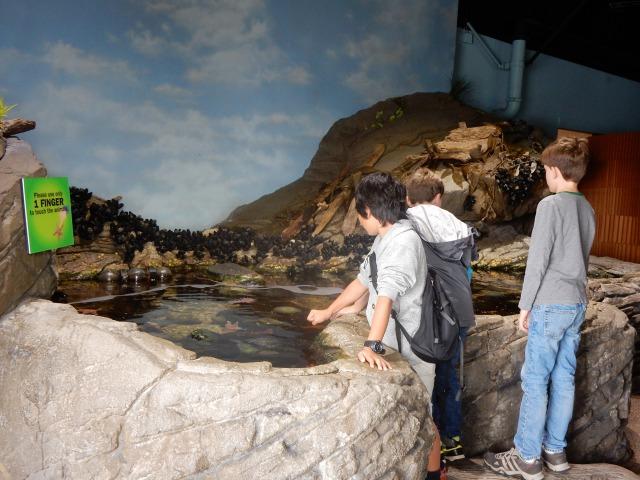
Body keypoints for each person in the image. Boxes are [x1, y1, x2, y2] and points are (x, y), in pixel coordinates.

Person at [307, 172, 444, 480]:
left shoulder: (404, 242)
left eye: (360, 216)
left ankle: (435, 475)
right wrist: (329, 311)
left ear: (369, 210)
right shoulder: (387, 237)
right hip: (398, 342)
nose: (359, 222)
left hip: (413, 349)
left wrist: (371, 344)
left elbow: (387, 297)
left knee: (424, 416)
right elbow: (363, 280)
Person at [483, 137, 595, 480]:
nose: (545, 176)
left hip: (550, 303)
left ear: (556, 171)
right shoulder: (587, 207)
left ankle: (527, 458)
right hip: (576, 302)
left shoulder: (551, 206)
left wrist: (525, 305)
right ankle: (555, 451)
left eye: (546, 170)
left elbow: (538, 261)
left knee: (535, 381)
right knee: (563, 378)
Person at [405, 168, 477, 462]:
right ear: (439, 197)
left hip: (425, 313)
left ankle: (428, 444)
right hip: (458, 313)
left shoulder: (406, 223)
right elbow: (468, 272)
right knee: (450, 375)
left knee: (423, 375)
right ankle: (453, 441)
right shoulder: (459, 226)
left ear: (408, 199)